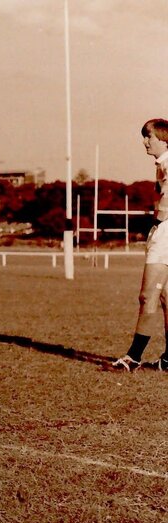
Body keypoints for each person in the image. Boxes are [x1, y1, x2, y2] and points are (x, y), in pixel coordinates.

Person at [112, 118, 168, 371]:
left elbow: (165, 207)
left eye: (149, 137)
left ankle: (133, 357)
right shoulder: (161, 165)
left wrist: (155, 224)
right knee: (166, 296)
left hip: (166, 232)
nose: (145, 142)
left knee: (148, 296)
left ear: (164, 139)